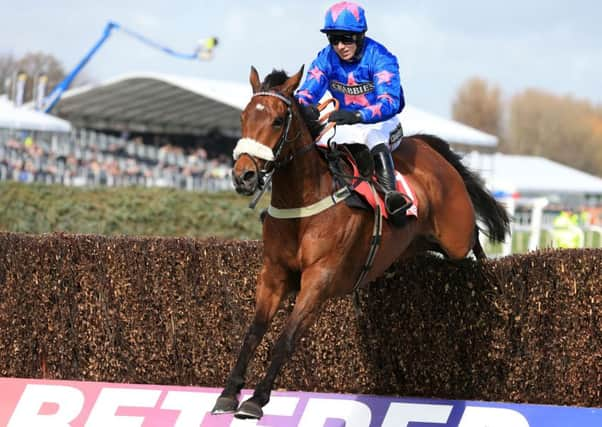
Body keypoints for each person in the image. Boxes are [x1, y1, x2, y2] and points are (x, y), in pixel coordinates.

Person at [295, 1, 410, 217]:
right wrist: (302, 107)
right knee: (311, 141)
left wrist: (357, 115)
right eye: (334, 39)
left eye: (346, 38)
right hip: (345, 123)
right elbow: (306, 92)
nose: (340, 46)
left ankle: (392, 196)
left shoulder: (382, 58)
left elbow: (390, 104)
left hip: (382, 123)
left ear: (360, 36)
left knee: (372, 136)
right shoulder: (325, 58)